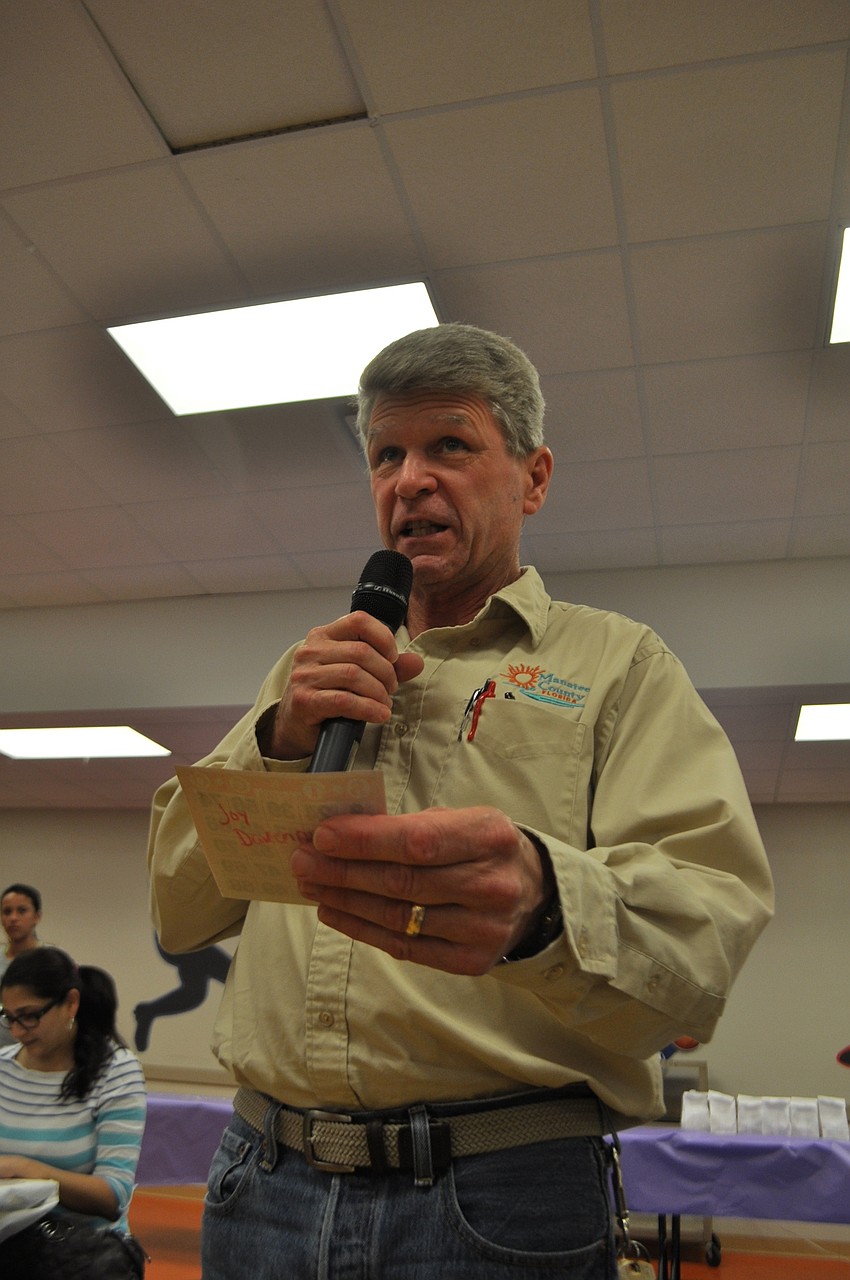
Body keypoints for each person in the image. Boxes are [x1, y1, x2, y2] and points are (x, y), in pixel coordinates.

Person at [148, 323, 774, 1279]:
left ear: (533, 478)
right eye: (385, 455)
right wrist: (279, 741)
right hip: (262, 1183)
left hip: (500, 1194)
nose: (410, 481)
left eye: (449, 444)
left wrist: (544, 902)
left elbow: (707, 939)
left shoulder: (620, 666)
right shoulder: (307, 673)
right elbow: (179, 908)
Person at [0, 947, 147, 1270]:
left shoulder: (116, 1071)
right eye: (9, 1017)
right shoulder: (4, 1069)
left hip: (77, 1257)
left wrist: (26, 1169)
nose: (17, 1031)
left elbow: (112, 1196)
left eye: (29, 1016)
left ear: (71, 1003)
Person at [0, 883, 45, 1049]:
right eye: (7, 912)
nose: (13, 918)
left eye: (22, 911)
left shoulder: (53, 960)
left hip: (38, 1050)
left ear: (37, 916)